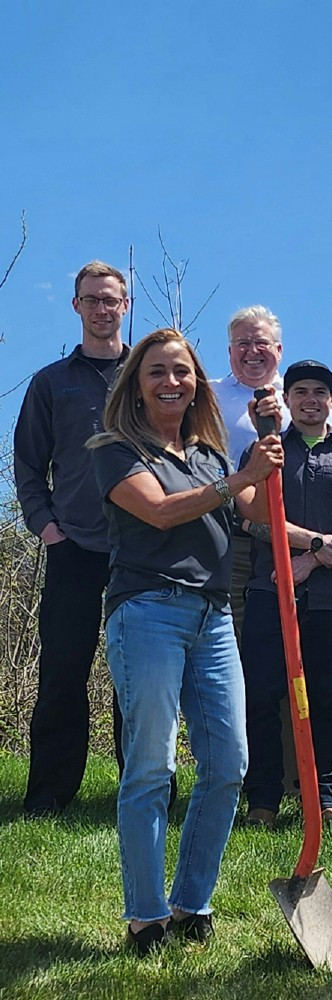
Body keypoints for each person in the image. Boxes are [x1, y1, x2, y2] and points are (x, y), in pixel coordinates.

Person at [89, 327, 283, 954]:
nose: (171, 381)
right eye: (157, 373)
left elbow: (254, 508)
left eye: (182, 371)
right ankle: (145, 919)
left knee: (229, 764)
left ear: (197, 381)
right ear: (137, 386)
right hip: (146, 611)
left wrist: (264, 437)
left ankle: (191, 905)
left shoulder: (209, 451)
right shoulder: (116, 448)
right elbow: (161, 511)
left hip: (214, 615)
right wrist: (238, 478)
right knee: (152, 767)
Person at [14, 261, 136, 815]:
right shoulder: (50, 383)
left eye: (110, 300)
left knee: (137, 681)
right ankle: (48, 796)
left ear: (125, 305)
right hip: (74, 552)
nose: (101, 309)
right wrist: (46, 528)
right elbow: (28, 467)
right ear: (76, 307)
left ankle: (141, 793)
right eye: (91, 300)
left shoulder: (153, 375)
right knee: (62, 674)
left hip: (143, 553)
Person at [238, 360, 332, 828]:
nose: (311, 399)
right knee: (261, 696)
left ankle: (321, 797)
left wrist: (310, 561)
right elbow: (250, 518)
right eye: (301, 392)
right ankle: (262, 799)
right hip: (269, 595)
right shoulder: (267, 453)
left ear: (331, 401)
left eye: (320, 391)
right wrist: (313, 542)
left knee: (324, 699)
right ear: (288, 400)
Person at [209, 305, 332, 628]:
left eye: (261, 343)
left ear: (279, 350)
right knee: (236, 631)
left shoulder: (301, 397)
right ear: (230, 351)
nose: (252, 351)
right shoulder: (210, 395)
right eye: (242, 343)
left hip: (298, 536)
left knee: (290, 635)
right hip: (233, 534)